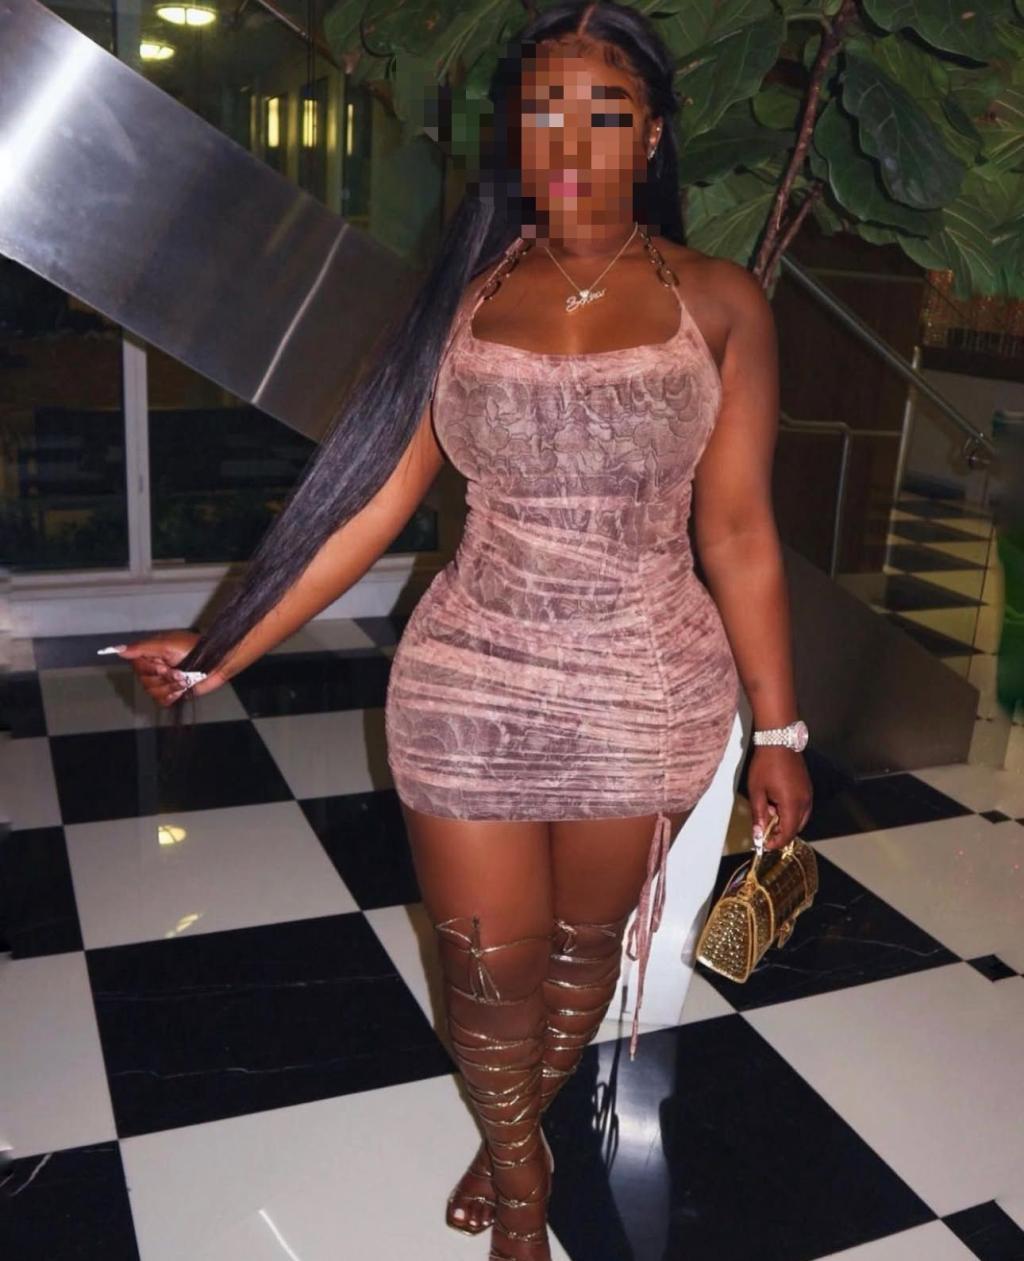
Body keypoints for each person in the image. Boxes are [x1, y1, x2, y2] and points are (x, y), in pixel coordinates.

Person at [113, 3, 813, 1256]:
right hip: (468, 684)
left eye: (603, 112)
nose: (569, 140)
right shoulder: (463, 296)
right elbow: (376, 500)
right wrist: (223, 646)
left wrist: (779, 729)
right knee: (486, 965)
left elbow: (739, 531)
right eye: (543, 109)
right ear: (513, 130)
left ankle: (509, 1128)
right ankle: (523, 1188)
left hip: (642, 687)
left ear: (653, 134)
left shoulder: (719, 300)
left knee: (581, 957)